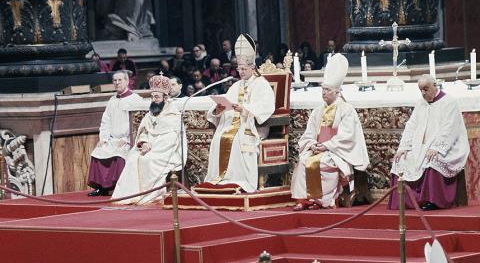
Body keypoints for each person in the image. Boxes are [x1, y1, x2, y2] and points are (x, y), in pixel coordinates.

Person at [291, 54, 369, 210]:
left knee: (323, 164)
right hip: (318, 148)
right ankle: (303, 199)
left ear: (337, 91)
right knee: (303, 162)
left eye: (327, 90)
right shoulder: (317, 111)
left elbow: (347, 136)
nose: (324, 93)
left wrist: (326, 146)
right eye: (323, 89)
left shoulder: (346, 110)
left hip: (336, 151)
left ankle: (322, 201)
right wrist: (312, 144)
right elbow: (309, 133)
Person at [203, 34, 275, 193]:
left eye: (244, 69)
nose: (240, 72)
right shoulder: (236, 85)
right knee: (219, 137)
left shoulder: (262, 84)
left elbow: (266, 107)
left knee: (236, 138)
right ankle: (221, 179)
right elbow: (227, 100)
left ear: (253, 68)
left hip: (252, 125)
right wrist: (218, 109)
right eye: (239, 69)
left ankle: (239, 180)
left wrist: (245, 110)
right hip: (235, 123)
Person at [388, 74, 470, 211]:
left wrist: (437, 148)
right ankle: (404, 201)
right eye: (420, 90)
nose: (423, 93)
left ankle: (432, 200)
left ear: (435, 86)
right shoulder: (421, 103)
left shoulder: (449, 102)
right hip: (420, 146)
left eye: (425, 89)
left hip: (448, 147)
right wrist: (404, 147)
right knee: (400, 159)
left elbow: (450, 129)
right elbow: (411, 126)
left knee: (432, 160)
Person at [111, 74, 187, 205]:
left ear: (165, 97)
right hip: (148, 148)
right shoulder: (150, 113)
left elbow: (172, 140)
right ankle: (130, 196)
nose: (153, 100)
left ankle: (150, 195)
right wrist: (144, 142)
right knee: (132, 158)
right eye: (152, 97)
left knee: (148, 160)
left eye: (157, 97)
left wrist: (153, 149)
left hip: (165, 151)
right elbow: (143, 131)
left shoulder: (173, 115)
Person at [87, 71, 142, 196]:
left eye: (120, 80)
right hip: (112, 139)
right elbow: (105, 121)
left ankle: (119, 187)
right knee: (98, 152)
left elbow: (137, 123)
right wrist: (104, 138)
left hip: (128, 139)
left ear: (127, 81)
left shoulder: (135, 99)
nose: (117, 83)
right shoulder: (112, 100)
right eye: (114, 80)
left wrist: (128, 139)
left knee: (119, 154)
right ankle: (102, 187)